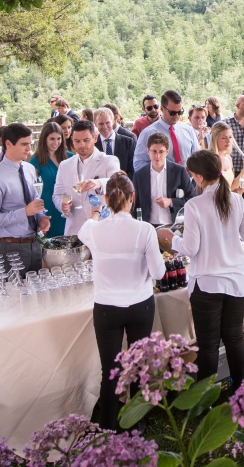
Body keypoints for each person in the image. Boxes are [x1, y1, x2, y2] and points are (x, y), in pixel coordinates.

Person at [158, 151, 244, 388]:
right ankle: (241, 393)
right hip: (237, 279)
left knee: (209, 344)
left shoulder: (195, 205)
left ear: (199, 177)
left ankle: (203, 400)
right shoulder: (237, 200)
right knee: (234, 338)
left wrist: (171, 237)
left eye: (192, 176)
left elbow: (190, 248)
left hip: (208, 282)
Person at [78, 172, 165, 430]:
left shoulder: (93, 230)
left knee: (111, 371)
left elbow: (87, 226)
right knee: (139, 365)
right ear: (133, 198)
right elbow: (159, 273)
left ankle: (108, 427)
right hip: (140, 304)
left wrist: (96, 211)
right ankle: (138, 425)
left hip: (106, 308)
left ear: (106, 199)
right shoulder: (145, 230)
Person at [0, 123, 50, 272]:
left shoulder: (29, 169)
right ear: (8, 144)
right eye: (24, 144)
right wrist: (24, 212)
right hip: (9, 249)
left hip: (35, 244)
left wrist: (41, 218)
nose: (29, 149)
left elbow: (34, 200)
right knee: (13, 294)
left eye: (30, 144)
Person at [54, 119, 121, 235]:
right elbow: (58, 193)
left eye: (86, 140)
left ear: (95, 138)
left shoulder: (110, 160)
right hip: (74, 230)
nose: (82, 145)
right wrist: (63, 205)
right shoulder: (64, 165)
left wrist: (98, 183)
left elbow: (116, 183)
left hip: (103, 229)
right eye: (77, 141)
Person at [134, 133, 197, 225]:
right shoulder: (140, 175)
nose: (157, 156)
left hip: (174, 225)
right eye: (154, 151)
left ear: (167, 152)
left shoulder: (179, 171)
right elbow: (135, 204)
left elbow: (191, 198)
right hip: (148, 226)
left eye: (161, 152)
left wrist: (171, 201)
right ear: (148, 150)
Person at [133, 90, 201, 172]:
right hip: (161, 182)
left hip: (188, 182)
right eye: (172, 113)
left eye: (180, 112)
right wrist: (161, 172)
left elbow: (198, 157)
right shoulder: (148, 133)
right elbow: (139, 164)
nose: (177, 116)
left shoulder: (188, 130)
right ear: (162, 109)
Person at [29, 122, 73, 237]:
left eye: (59, 139)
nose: (56, 143)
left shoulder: (70, 157)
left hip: (66, 204)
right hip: (47, 205)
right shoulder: (35, 161)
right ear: (44, 139)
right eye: (52, 139)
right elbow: (30, 188)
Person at [94, 107, 136, 179]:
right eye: (101, 124)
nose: (104, 126)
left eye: (107, 122)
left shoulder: (128, 142)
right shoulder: (93, 144)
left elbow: (133, 169)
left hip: (122, 187)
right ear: (95, 124)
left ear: (113, 121)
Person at [210, 122, 244, 194]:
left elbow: (232, 186)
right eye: (224, 138)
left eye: (230, 137)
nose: (228, 141)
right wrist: (231, 193)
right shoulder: (209, 160)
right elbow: (210, 190)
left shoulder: (228, 158)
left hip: (228, 200)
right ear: (215, 138)